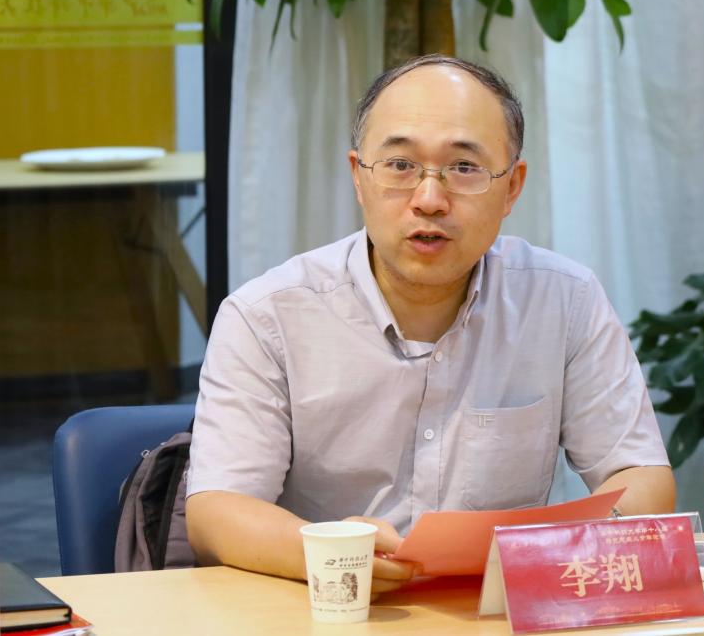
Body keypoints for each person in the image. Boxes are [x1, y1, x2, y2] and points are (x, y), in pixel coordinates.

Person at [186, 55, 676, 595]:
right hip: (326, 609)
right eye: (400, 165)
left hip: (495, 614)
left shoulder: (565, 300)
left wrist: (560, 550)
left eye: (464, 168)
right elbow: (216, 512)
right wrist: (333, 551)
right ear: (359, 177)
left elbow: (640, 477)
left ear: (512, 187)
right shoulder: (266, 316)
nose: (429, 200)